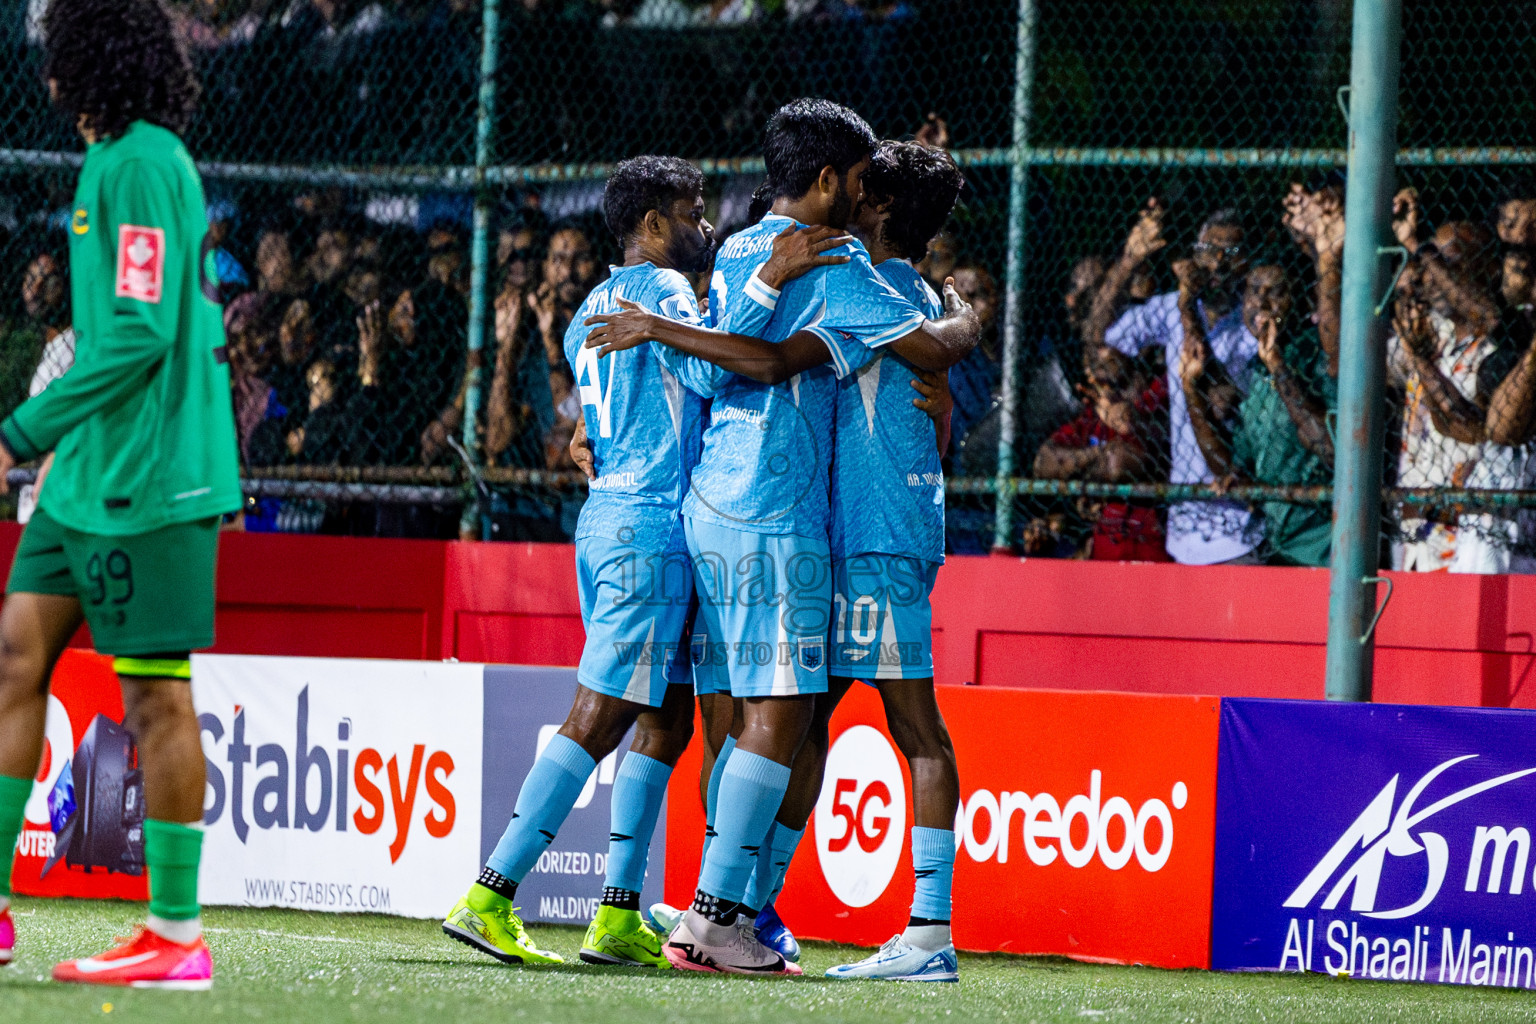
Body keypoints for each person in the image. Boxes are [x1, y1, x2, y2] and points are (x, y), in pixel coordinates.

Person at [582, 98, 980, 975]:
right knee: (791, 719)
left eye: (873, 184)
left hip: (850, 535)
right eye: (857, 178)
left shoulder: (802, 263)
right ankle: (736, 908)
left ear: (877, 206)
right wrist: (967, 323)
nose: (861, 194)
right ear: (838, 184)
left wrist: (960, 332)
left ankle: (908, 930)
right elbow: (917, 358)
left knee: (846, 721)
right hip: (808, 527)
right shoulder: (841, 271)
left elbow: (881, 360)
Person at [438, 155, 845, 971]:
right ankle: (490, 893)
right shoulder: (661, 292)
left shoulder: (588, 307)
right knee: (601, 714)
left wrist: (591, 436)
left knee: (666, 721)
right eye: (692, 212)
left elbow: (605, 409)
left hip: (614, 517)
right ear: (653, 225)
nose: (705, 225)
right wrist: (767, 280)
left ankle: (617, 914)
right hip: (651, 528)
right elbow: (708, 370)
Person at [0, 0, 241, 987]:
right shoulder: (110, 161)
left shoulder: (141, 162)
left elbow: (139, 335)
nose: (47, 71)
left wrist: (19, 433)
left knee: (153, 697)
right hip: (86, 478)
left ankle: (177, 936)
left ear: (87, 61)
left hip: (150, 480)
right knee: (17, 657)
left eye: (57, 52)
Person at [1100, 207, 1262, 564]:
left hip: (1240, 522)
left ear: (1247, 262)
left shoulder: (1253, 321)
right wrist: (1129, 262)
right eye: (1208, 250)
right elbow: (1104, 334)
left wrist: (1187, 300)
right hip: (1184, 526)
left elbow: (1213, 389)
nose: (1217, 263)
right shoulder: (1172, 307)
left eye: (1231, 253)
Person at [1389, 222, 1528, 573]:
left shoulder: (1502, 351)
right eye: (1428, 263)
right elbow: (1344, 360)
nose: (1432, 275)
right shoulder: (1432, 336)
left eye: (1446, 260)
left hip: (1469, 536)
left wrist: (1419, 246)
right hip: (1415, 538)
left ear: (1489, 267)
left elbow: (1467, 424)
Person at [1181, 264, 1336, 567]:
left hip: (1323, 548)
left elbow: (1330, 448)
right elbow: (1231, 466)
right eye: (1253, 291)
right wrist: (1190, 388)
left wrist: (1279, 366)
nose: (1261, 303)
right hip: (1279, 547)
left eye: (1275, 292)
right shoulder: (1255, 370)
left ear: (1301, 301)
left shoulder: (1316, 358)